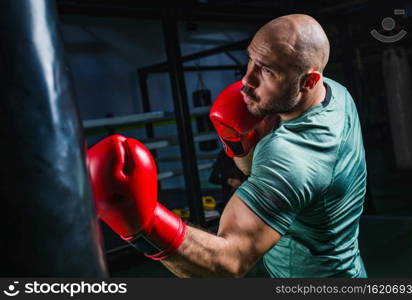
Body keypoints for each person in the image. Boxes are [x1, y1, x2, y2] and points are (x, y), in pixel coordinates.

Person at [88, 14, 367, 277]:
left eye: (267, 71)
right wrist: (240, 144)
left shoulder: (292, 158)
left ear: (308, 81)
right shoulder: (336, 94)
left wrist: (143, 223)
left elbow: (228, 264)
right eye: (251, 60)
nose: (247, 80)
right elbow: (257, 173)